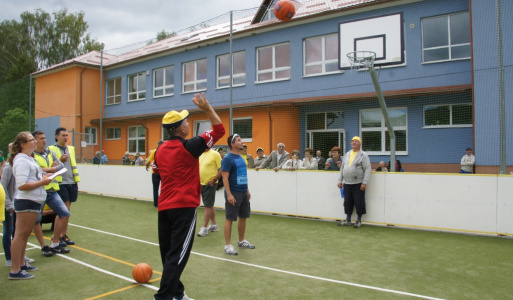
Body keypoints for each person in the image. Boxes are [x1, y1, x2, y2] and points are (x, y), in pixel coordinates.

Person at [153, 93, 224, 300]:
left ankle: (178, 293)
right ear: (182, 128)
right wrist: (207, 108)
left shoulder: (159, 150)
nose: (188, 124)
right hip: (183, 207)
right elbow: (220, 130)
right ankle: (163, 297)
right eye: (186, 122)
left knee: (169, 256)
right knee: (177, 257)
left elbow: (157, 172)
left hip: (164, 207)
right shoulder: (190, 145)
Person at [9, 131, 52, 279]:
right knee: (20, 235)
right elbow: (22, 185)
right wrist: (43, 182)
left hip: (33, 200)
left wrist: (44, 177)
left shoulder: (29, 159)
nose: (35, 141)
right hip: (26, 200)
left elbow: (33, 177)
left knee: (25, 235)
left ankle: (21, 264)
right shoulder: (21, 160)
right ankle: (15, 270)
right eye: (31, 139)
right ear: (23, 144)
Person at [32, 130, 71, 254]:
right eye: (40, 138)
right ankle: (43, 246)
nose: (44, 140)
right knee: (36, 220)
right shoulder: (31, 156)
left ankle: (55, 243)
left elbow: (61, 166)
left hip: (52, 190)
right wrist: (51, 169)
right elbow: (35, 172)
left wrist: (47, 169)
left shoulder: (50, 153)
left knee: (64, 213)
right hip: (38, 191)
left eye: (44, 138)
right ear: (34, 141)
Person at [222, 134, 255, 255]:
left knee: (243, 216)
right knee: (230, 218)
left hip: (243, 192)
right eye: (239, 140)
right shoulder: (227, 159)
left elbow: (243, 175)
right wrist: (229, 195)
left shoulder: (241, 157)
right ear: (232, 144)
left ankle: (241, 241)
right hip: (233, 193)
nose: (242, 142)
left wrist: (247, 190)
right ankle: (227, 246)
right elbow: (225, 178)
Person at [2, 161, 39, 266]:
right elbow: (3, 187)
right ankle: (9, 258)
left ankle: (19, 256)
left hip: (17, 204)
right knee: (8, 230)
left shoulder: (22, 166)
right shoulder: (8, 168)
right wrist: (8, 205)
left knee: (17, 232)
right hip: (8, 205)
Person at [47, 127, 79, 246]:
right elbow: (49, 166)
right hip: (60, 182)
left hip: (71, 181)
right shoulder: (51, 149)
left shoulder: (71, 148)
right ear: (57, 136)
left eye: (66, 135)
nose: (65, 138)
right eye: (63, 135)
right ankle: (57, 237)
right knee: (63, 210)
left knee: (67, 210)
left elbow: (72, 165)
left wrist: (76, 181)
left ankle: (63, 235)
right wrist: (60, 160)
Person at [337, 136, 371, 229]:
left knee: (359, 202)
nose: (354, 143)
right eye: (352, 141)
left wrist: (364, 182)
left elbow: (367, 169)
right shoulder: (347, 154)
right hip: (347, 183)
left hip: (358, 183)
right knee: (347, 202)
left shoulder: (363, 155)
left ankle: (358, 220)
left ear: (360, 144)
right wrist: (340, 180)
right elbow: (342, 168)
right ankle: (348, 220)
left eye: (356, 141)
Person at [197, 148, 222, 237]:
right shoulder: (201, 155)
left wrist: (214, 180)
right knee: (209, 205)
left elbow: (221, 168)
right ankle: (214, 225)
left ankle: (204, 228)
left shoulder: (215, 154)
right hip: (202, 183)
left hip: (210, 183)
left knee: (207, 206)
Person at [146, 141, 164, 208]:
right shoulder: (164, 151)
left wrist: (147, 166)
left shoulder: (154, 151)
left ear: (158, 144)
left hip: (155, 173)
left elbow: (149, 161)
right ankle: (163, 202)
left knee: (155, 188)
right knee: (163, 188)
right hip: (162, 173)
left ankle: (156, 204)